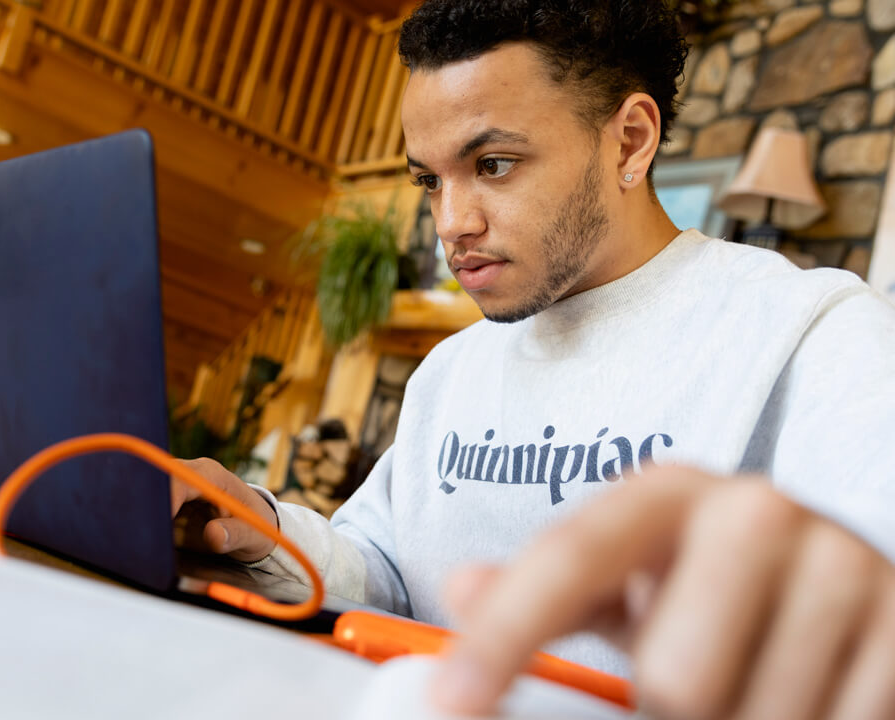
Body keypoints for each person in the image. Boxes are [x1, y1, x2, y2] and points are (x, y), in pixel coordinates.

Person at [171, 1, 895, 717]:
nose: (452, 223)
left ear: (630, 143)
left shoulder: (814, 334)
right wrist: (256, 527)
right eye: (430, 180)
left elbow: (870, 604)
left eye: (493, 164)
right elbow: (387, 572)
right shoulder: (451, 369)